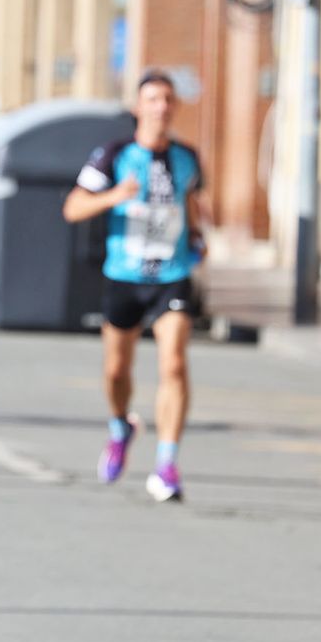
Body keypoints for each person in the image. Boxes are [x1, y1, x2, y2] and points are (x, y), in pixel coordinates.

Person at [62, 70, 206, 503]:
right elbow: (73, 208)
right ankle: (121, 423)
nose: (161, 107)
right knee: (116, 371)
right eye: (153, 99)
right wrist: (114, 197)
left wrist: (198, 235)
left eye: (167, 99)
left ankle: (166, 463)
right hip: (124, 275)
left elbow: (192, 202)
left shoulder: (188, 158)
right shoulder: (114, 155)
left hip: (171, 274)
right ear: (138, 108)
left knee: (175, 365)